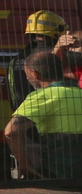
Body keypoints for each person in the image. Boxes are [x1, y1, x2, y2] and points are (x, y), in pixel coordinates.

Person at [5, 49, 82, 179]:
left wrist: (25, 164)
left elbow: (11, 131)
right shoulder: (79, 93)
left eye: (26, 74)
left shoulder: (42, 96)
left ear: (35, 74)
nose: (27, 78)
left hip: (59, 173)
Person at [8, 11, 68, 110]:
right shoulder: (61, 56)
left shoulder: (15, 60)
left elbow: (13, 95)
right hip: (56, 113)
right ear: (58, 31)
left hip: (24, 113)